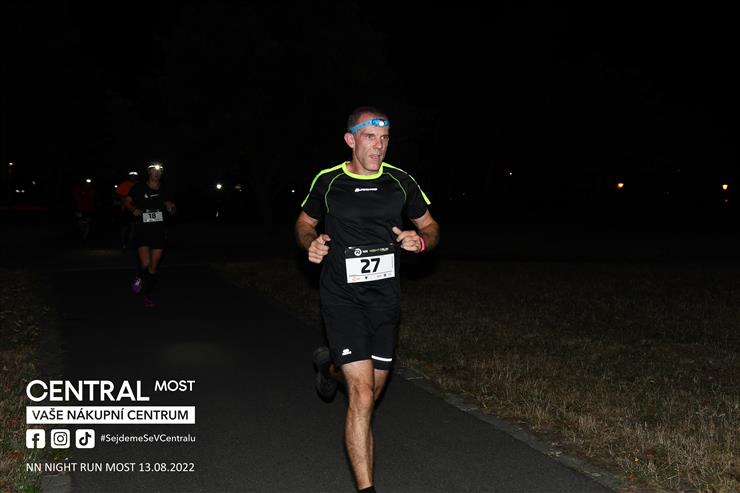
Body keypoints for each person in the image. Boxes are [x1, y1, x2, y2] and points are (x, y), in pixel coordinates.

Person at [295, 107, 440, 493]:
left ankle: (328, 367)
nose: (379, 145)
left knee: (369, 393)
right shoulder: (329, 181)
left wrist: (421, 241)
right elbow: (304, 223)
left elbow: (430, 226)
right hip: (341, 299)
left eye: (385, 138)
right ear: (350, 139)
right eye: (370, 137)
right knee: (360, 395)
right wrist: (311, 243)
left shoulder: (400, 181)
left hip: (384, 302)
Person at [124, 162, 176, 308]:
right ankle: (139, 276)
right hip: (143, 230)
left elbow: (172, 207)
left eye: (159, 171)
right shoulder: (139, 187)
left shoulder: (165, 189)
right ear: (149, 172)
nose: (157, 173)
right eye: (154, 170)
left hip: (159, 231)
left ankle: (147, 296)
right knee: (145, 264)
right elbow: (127, 201)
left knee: (153, 267)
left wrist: (171, 208)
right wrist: (133, 209)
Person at [113, 171, 140, 249]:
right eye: (131, 175)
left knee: (134, 227)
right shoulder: (124, 184)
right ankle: (123, 243)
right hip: (126, 209)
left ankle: (131, 243)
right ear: (129, 176)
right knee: (124, 227)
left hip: (137, 209)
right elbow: (117, 195)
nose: (133, 177)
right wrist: (119, 201)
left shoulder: (140, 184)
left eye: (135, 175)